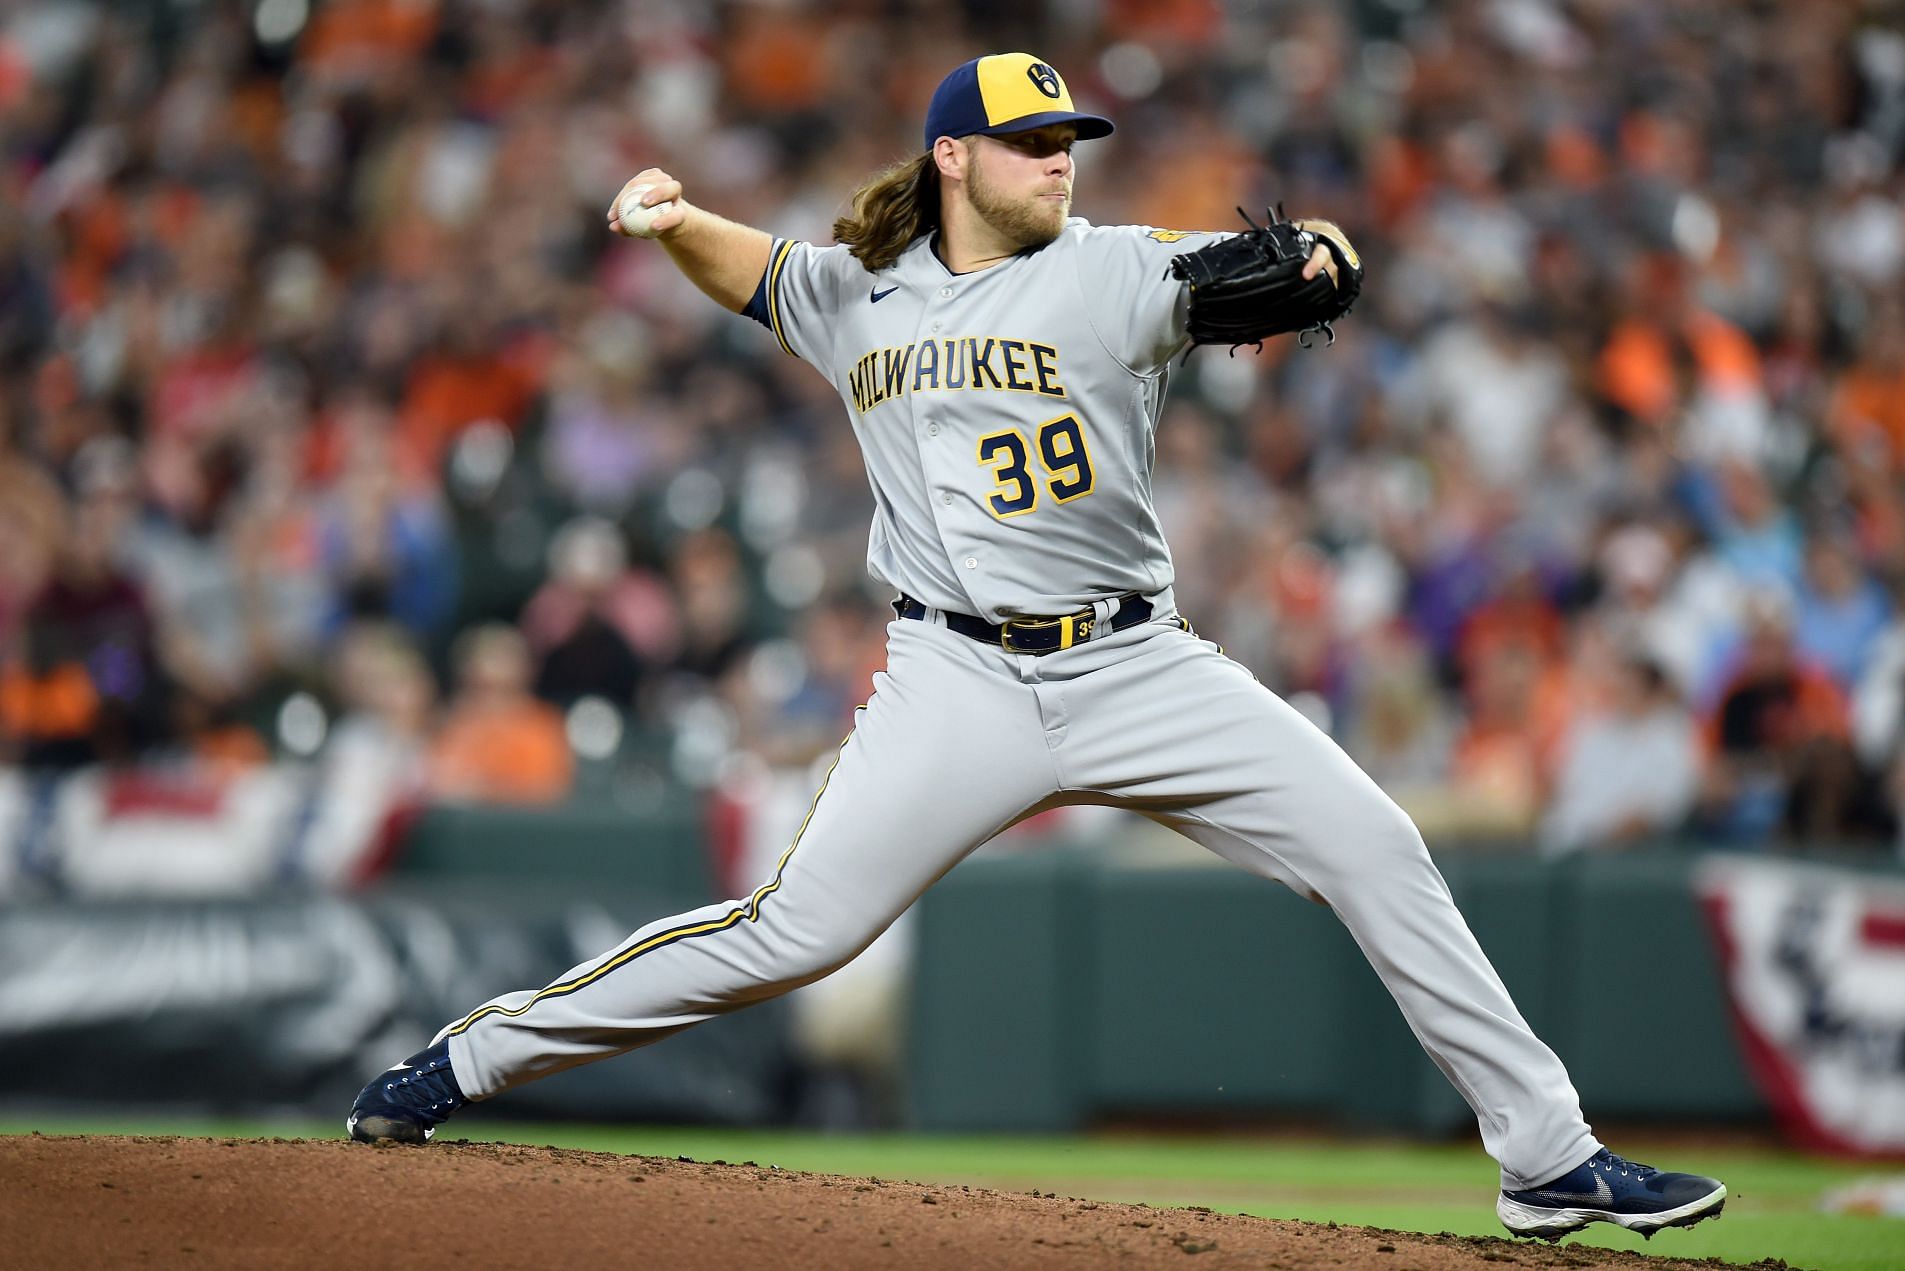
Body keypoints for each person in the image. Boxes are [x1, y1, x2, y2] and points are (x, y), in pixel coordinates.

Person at [348, 52, 1726, 1242]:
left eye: (1070, 142)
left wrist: (1324, 261)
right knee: (790, 933)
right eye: (1032, 142)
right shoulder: (860, 292)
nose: (1059, 161)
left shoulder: (1119, 270)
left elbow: (1276, 270)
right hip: (954, 679)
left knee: (1377, 847)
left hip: (1137, 666)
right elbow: (762, 276)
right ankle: (468, 1061)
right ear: (954, 156)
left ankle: (1548, 1161)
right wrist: (671, 221)